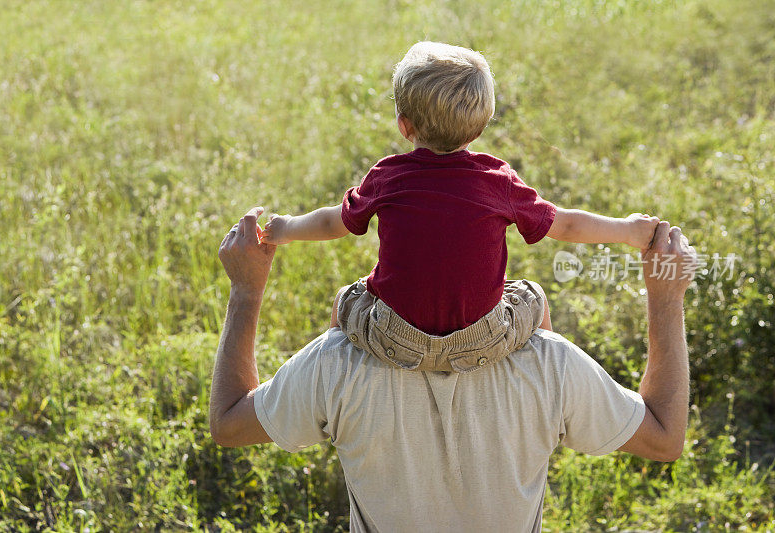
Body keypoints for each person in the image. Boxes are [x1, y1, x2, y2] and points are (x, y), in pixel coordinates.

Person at [210, 207, 696, 532]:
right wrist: (665, 295)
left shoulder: (335, 362)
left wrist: (247, 290)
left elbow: (230, 424)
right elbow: (663, 438)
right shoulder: (551, 364)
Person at [259, 41, 659, 373]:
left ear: (404, 124)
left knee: (347, 298)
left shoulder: (388, 175)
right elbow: (567, 226)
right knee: (533, 297)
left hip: (395, 339)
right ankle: (543, 378)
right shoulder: (497, 180)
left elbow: (335, 221)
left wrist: (285, 229)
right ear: (481, 126)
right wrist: (627, 229)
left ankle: (332, 376)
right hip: (480, 341)